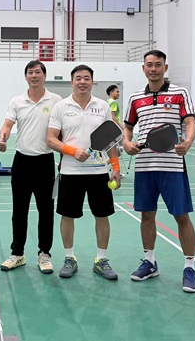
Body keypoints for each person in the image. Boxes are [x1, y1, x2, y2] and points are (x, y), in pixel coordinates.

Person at [122, 49, 195, 293]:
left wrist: (188, 142)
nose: (153, 69)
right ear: (143, 69)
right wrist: (126, 142)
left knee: (182, 217)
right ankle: (150, 262)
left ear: (165, 68)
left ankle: (189, 267)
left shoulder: (179, 93)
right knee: (147, 215)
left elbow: (190, 122)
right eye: (149, 65)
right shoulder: (135, 98)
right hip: (145, 166)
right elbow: (127, 127)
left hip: (172, 166)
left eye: (158, 64)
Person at [47, 65, 121, 280]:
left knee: (102, 215)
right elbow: (50, 139)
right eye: (78, 78)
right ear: (72, 82)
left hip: (99, 172)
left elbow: (110, 139)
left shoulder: (102, 106)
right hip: (70, 171)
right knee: (67, 215)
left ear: (92, 82)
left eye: (86, 78)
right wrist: (72, 151)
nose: (82, 82)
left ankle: (101, 260)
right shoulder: (61, 107)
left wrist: (116, 167)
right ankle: (69, 258)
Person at [0, 60, 62, 274]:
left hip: (45, 163)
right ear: (26, 77)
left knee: (46, 211)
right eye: (30, 72)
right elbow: (7, 124)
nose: (34, 75)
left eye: (38, 72)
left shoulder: (55, 100)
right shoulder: (17, 101)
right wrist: (3, 138)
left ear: (44, 75)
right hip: (22, 162)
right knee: (19, 211)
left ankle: (44, 254)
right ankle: (17, 254)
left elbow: (62, 130)